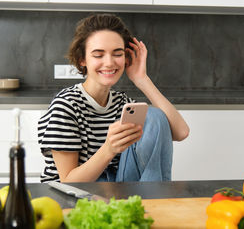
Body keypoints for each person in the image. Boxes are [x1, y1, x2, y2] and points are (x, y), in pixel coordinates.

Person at [38, 13, 189, 183]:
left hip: (113, 190)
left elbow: (181, 132)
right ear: (82, 59)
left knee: (154, 116)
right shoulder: (65, 106)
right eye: (98, 55)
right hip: (72, 194)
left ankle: (153, 197)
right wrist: (109, 149)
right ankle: (155, 199)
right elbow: (68, 181)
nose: (109, 62)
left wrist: (142, 80)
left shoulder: (121, 103)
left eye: (117, 54)